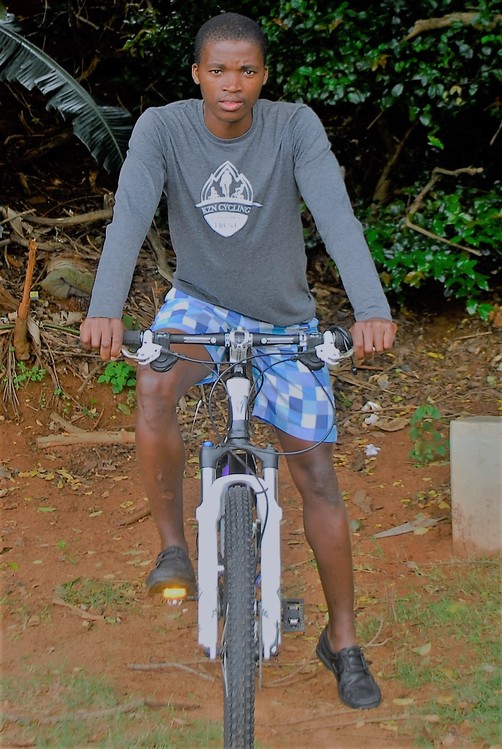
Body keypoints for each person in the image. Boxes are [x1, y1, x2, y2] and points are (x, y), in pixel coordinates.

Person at [80, 12, 397, 710]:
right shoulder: (163, 128)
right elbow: (130, 214)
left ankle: (343, 640)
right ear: (197, 73)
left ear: (263, 75)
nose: (232, 84)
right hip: (200, 305)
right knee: (153, 379)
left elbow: (337, 217)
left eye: (247, 70)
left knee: (317, 476)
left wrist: (371, 310)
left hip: (284, 319)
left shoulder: (294, 127)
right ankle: (174, 548)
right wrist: (105, 308)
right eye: (219, 70)